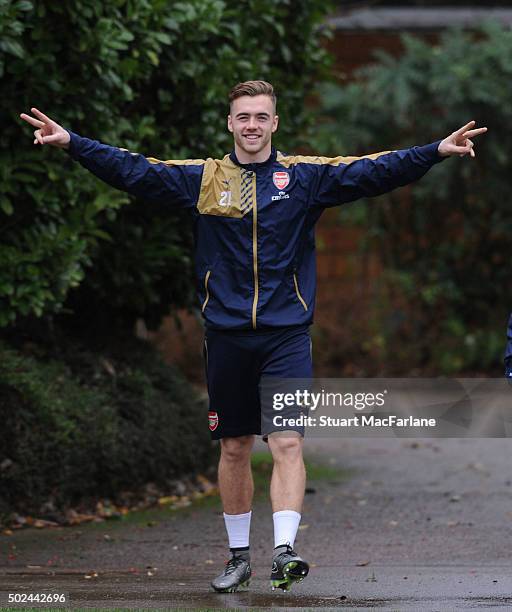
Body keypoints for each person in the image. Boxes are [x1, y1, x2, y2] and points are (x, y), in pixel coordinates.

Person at [20, 80, 487, 593]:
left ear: (274, 124)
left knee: (286, 440)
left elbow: (373, 170)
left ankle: (285, 551)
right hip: (226, 336)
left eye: (261, 117)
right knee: (236, 447)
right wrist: (72, 142)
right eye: (243, 117)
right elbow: (137, 170)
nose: (251, 126)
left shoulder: (304, 177)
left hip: (286, 334)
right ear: (230, 123)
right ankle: (238, 556)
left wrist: (436, 151)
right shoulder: (206, 179)